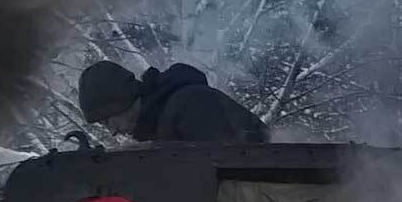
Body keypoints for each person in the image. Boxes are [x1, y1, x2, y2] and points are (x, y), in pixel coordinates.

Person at [77, 60, 270, 144]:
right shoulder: (160, 120)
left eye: (107, 121)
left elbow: (218, 165)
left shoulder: (190, 103)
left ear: (120, 103)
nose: (112, 132)